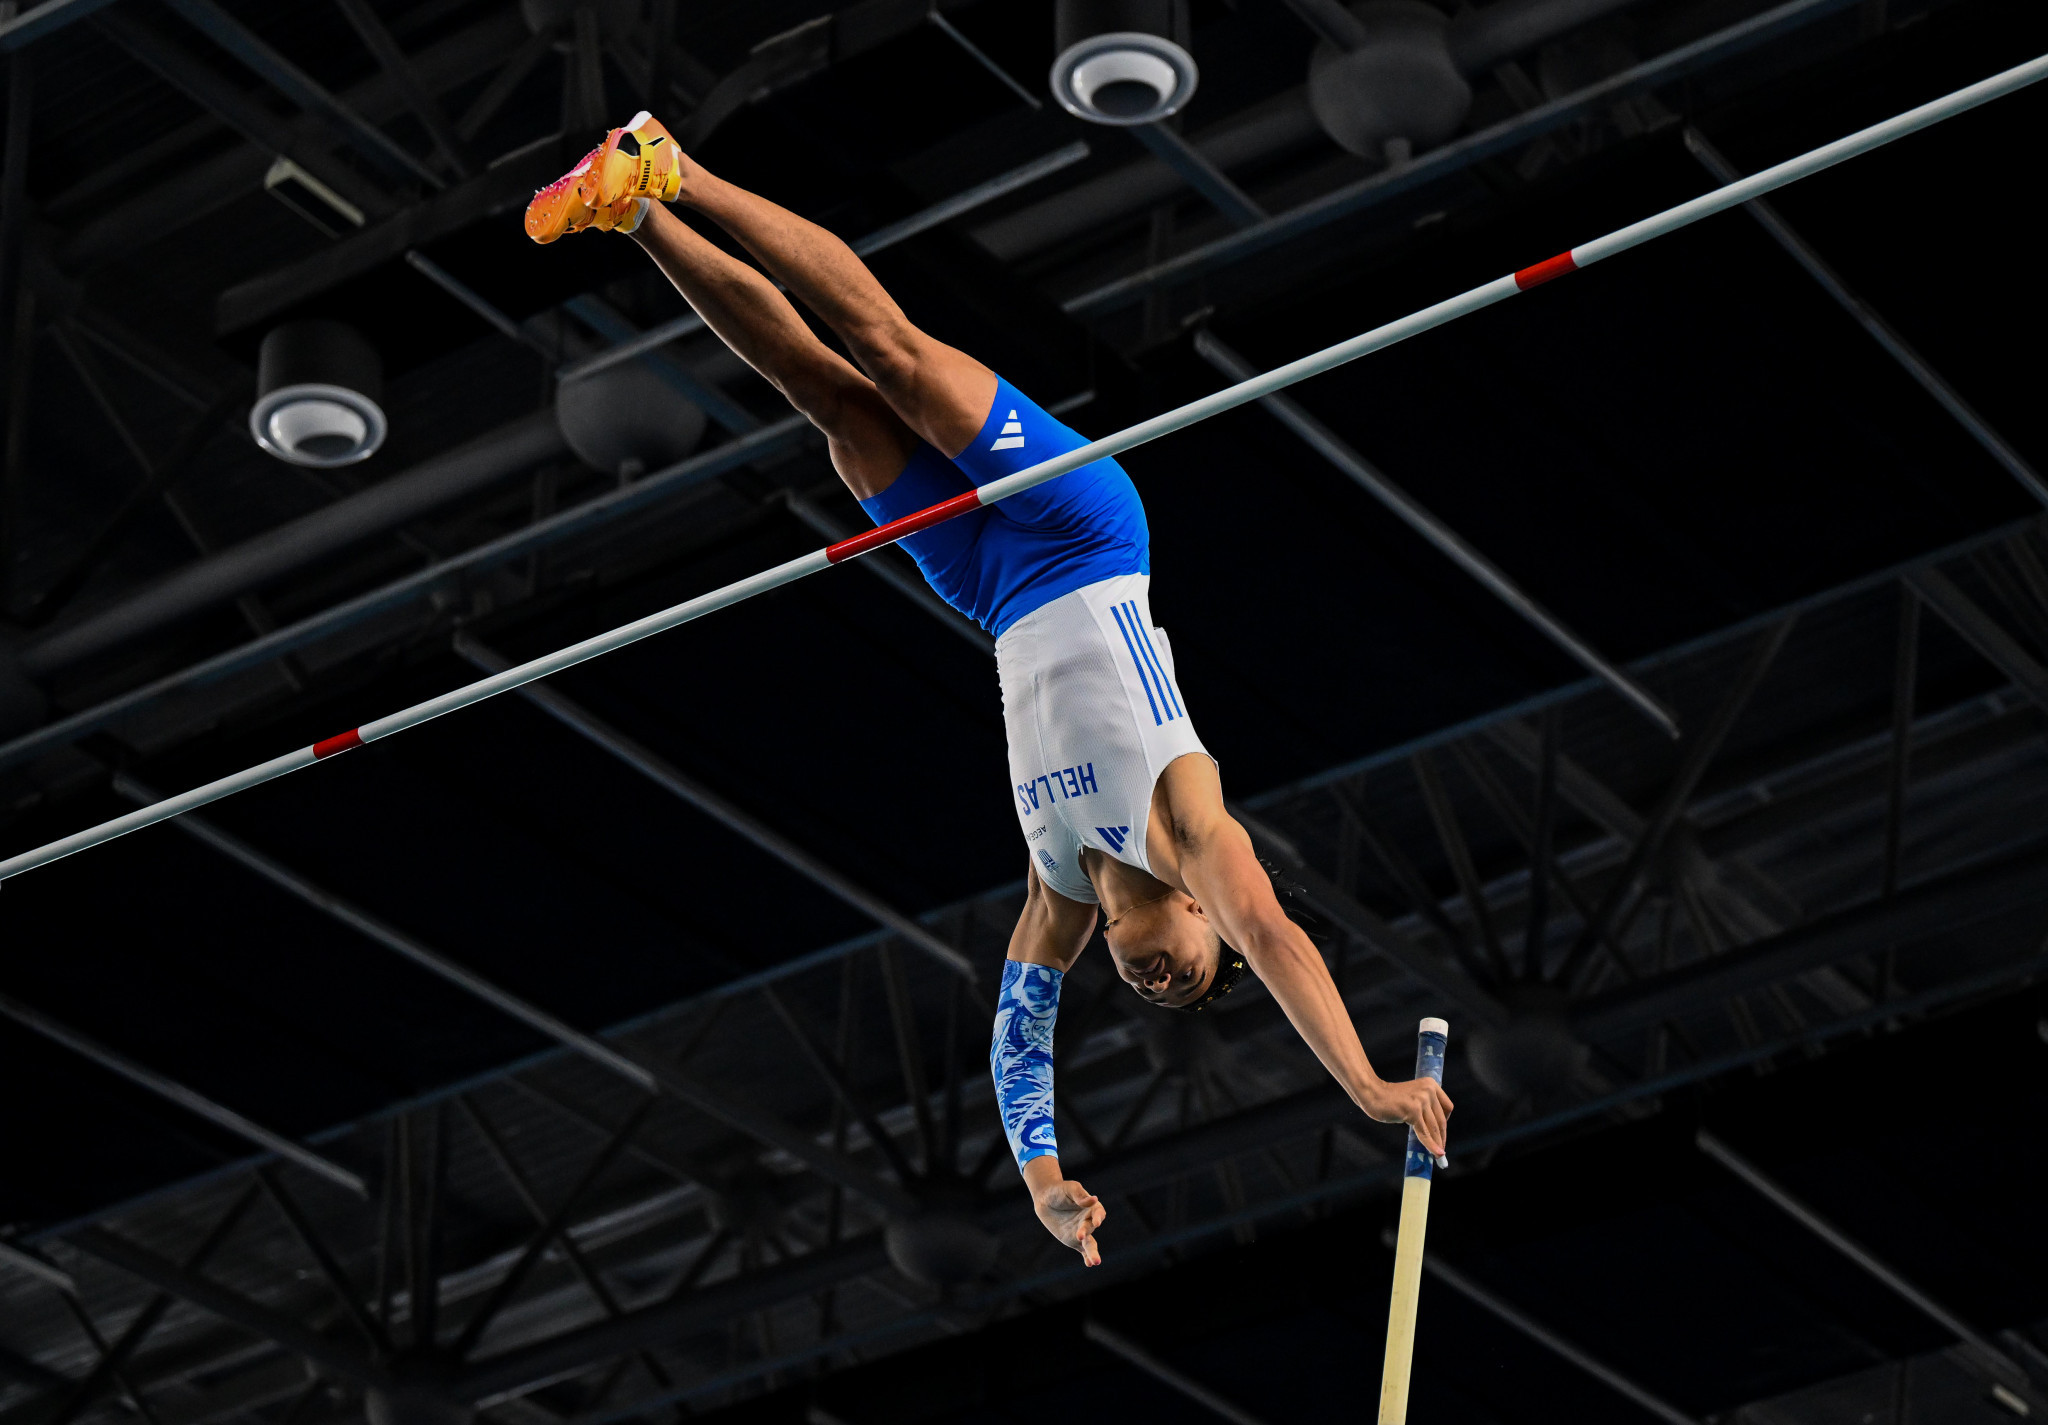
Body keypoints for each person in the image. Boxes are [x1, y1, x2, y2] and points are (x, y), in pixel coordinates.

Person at [527, 113, 1453, 1268]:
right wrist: (1362, 1083)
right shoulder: (1187, 829)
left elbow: (1019, 1039)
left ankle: (635, 212)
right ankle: (679, 168)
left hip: (989, 592)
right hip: (1082, 535)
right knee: (892, 356)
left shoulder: (1056, 895)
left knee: (829, 399)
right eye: (1187, 970)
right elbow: (1272, 935)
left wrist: (1046, 1185)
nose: (1157, 980)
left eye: (1152, 996)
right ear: (1199, 914)